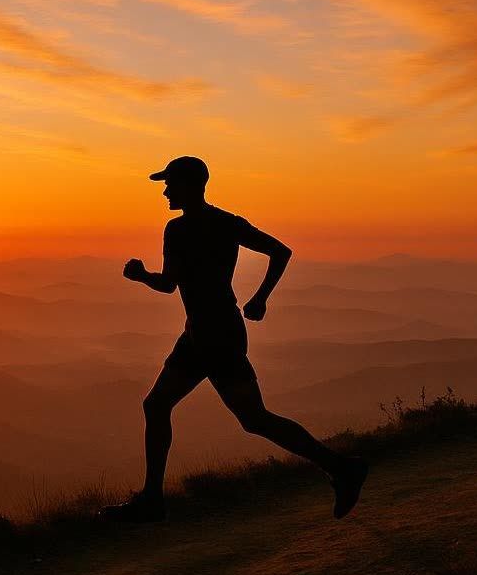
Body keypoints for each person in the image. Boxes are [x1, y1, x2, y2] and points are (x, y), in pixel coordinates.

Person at [101, 155, 369, 523]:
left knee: (253, 419)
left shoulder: (179, 230)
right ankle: (152, 499)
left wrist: (141, 276)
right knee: (158, 405)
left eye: (170, 184)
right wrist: (259, 297)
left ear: (191, 185)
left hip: (216, 338)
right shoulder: (223, 224)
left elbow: (167, 284)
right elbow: (280, 252)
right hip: (202, 334)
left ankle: (341, 467)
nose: (165, 191)